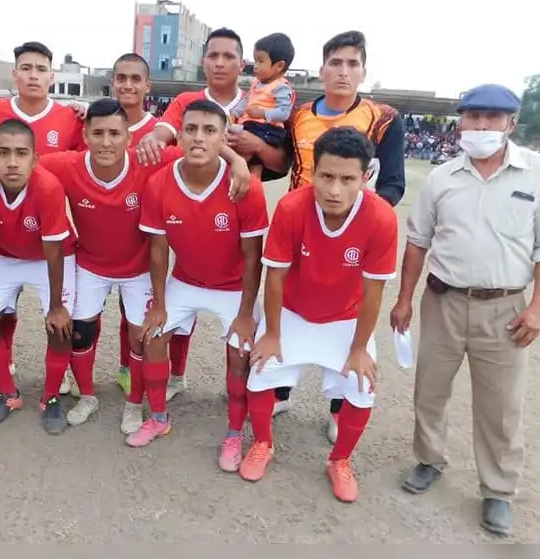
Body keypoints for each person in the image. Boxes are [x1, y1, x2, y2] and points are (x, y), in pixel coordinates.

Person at [0, 98, 253, 432]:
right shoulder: (67, 164)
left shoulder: (148, 159)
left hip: (139, 269)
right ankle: (87, 395)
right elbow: (23, 157)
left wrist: (238, 162)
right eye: (98, 133)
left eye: (115, 134)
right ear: (85, 136)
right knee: (79, 332)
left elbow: (202, 148)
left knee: (141, 338)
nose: (107, 142)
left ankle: (134, 404)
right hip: (89, 265)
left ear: (129, 138)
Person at [391, 84, 540, 537]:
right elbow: (418, 242)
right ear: (461, 122)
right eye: (473, 117)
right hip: (443, 301)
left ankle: (498, 491)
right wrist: (405, 298)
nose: (482, 126)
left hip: (505, 308)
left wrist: (539, 307)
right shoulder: (442, 177)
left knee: (502, 407)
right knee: (430, 391)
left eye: (493, 117)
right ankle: (429, 460)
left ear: (511, 124)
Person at [266, 30, 407, 438]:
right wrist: (250, 158)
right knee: (290, 306)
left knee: (344, 314)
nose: (343, 72)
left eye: (352, 64)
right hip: (299, 233)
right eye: (335, 63)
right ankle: (279, 393)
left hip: (350, 238)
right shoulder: (299, 115)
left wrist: (358, 223)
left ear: (363, 71)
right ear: (323, 68)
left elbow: (393, 184)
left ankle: (337, 406)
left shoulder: (383, 119)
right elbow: (281, 165)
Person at [245, 127, 397, 501]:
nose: (334, 190)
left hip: (345, 319)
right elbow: (275, 275)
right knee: (261, 371)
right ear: (313, 172)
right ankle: (263, 443)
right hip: (294, 312)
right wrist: (273, 333)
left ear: (366, 177)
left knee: (363, 386)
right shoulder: (292, 207)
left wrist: (360, 347)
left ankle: (339, 460)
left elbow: (373, 291)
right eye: (326, 177)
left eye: (348, 179)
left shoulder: (381, 218)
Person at [135, 99, 269, 459]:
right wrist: (159, 305)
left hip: (232, 288)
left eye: (209, 131)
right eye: (191, 129)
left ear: (223, 138)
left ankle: (234, 433)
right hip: (186, 280)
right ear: (178, 134)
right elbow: (159, 250)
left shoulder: (245, 187)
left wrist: (245, 313)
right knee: (152, 335)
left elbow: (253, 257)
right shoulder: (159, 183)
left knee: (240, 352)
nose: (198, 138)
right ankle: (159, 417)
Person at [0, 40, 86, 391]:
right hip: (4, 236)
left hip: (49, 234)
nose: (33, 75)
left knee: (56, 316)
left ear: (52, 77)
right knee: (0, 309)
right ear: (15, 73)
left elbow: (83, 166)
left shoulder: (70, 117)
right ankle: (3, 361)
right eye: (26, 68)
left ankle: (60, 372)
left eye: (40, 69)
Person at [0, 119, 78, 435]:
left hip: (50, 259)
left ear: (34, 158)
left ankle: (51, 398)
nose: (12, 162)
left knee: (60, 326)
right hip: (5, 255)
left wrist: (55, 305)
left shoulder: (48, 187)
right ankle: (7, 394)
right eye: (4, 152)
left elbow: (53, 249)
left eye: (21, 153)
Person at [108, 52, 198, 400]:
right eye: (121, 78)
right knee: (118, 309)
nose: (127, 85)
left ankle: (177, 374)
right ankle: (126, 369)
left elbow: (197, 157)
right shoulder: (98, 123)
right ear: (113, 82)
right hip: (109, 236)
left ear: (147, 86)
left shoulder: (161, 134)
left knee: (158, 310)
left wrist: (235, 163)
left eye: (135, 79)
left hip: (153, 239)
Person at [137, 27, 288, 177]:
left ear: (242, 65)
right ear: (203, 63)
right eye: (213, 56)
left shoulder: (263, 103)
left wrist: (258, 146)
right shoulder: (185, 101)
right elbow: (161, 134)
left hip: (240, 196)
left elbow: (282, 165)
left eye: (228, 56)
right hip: (190, 195)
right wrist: (152, 139)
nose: (219, 63)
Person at [229, 33, 296, 178]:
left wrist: (262, 113)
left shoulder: (281, 87)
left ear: (279, 66)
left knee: (248, 153)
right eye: (255, 61)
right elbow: (245, 101)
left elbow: (284, 112)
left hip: (268, 129)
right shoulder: (257, 84)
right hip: (252, 125)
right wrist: (235, 112)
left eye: (260, 61)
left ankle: (253, 180)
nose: (255, 66)